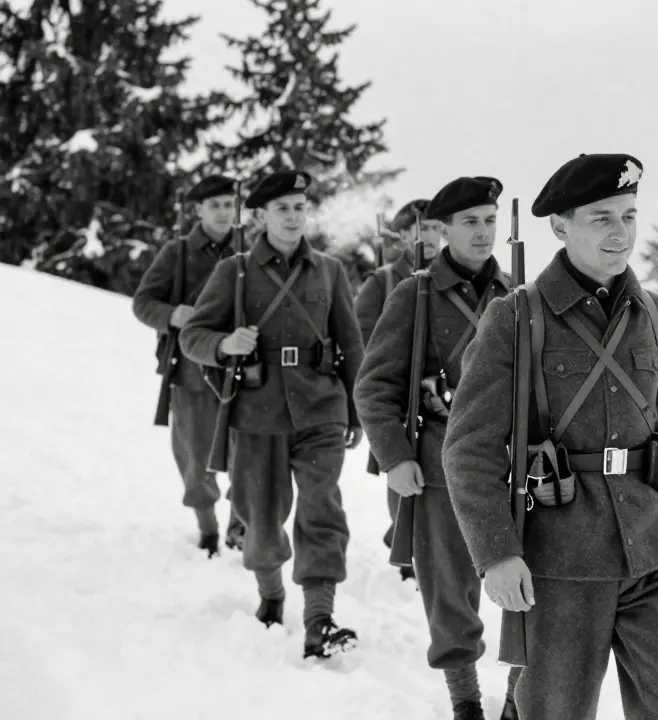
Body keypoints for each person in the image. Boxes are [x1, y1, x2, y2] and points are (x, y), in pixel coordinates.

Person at [441, 153, 658, 720]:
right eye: (601, 217)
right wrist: (497, 555)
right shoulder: (514, 318)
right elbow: (468, 448)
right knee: (556, 710)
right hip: (561, 560)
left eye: (628, 215)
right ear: (560, 226)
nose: (620, 231)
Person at [179, 170, 366, 660]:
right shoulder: (234, 272)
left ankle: (318, 618)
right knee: (260, 519)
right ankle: (270, 594)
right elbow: (191, 336)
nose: (292, 216)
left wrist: (358, 412)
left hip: (321, 408)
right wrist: (223, 343)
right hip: (257, 413)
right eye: (281, 208)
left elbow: (352, 345)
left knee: (321, 508)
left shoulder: (330, 270)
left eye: (299, 207)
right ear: (260, 216)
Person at [356, 176, 521, 720]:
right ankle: (465, 701)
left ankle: (520, 699)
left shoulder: (520, 294)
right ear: (443, 230)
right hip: (439, 460)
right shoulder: (415, 293)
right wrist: (396, 456)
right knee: (449, 588)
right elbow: (374, 385)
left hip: (512, 463)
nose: (482, 232)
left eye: (489, 220)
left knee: (530, 582)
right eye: (469, 222)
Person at [132, 174, 246, 556]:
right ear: (198, 210)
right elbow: (143, 302)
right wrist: (173, 314)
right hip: (192, 373)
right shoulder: (177, 252)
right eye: (214, 205)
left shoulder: (250, 248)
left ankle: (239, 526)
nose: (223, 212)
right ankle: (208, 528)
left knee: (248, 452)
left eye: (228, 204)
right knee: (196, 457)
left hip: (241, 370)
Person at [353, 197, 442, 578]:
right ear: (405, 234)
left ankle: (421, 549)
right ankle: (410, 551)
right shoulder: (383, 282)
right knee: (405, 488)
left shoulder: (457, 280)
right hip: (402, 404)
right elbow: (363, 346)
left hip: (444, 402)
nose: (435, 236)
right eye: (426, 228)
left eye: (440, 227)